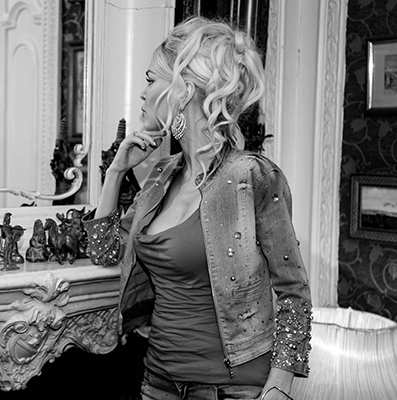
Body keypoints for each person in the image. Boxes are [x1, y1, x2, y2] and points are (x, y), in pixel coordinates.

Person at [83, 16, 312, 400]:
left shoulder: (251, 177)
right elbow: (104, 250)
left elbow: (294, 292)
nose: (143, 93)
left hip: (230, 388)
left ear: (183, 91)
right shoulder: (161, 176)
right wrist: (116, 172)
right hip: (158, 382)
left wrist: (280, 388)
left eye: (151, 80)